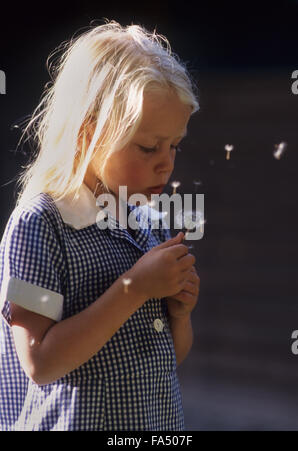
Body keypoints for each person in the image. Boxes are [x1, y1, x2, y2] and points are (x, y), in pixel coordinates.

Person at [0, 19, 200, 431]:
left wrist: (180, 314)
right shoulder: (40, 224)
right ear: (89, 133)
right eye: (148, 147)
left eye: (174, 145)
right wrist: (136, 287)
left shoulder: (151, 225)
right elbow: (39, 362)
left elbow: (168, 359)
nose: (167, 162)